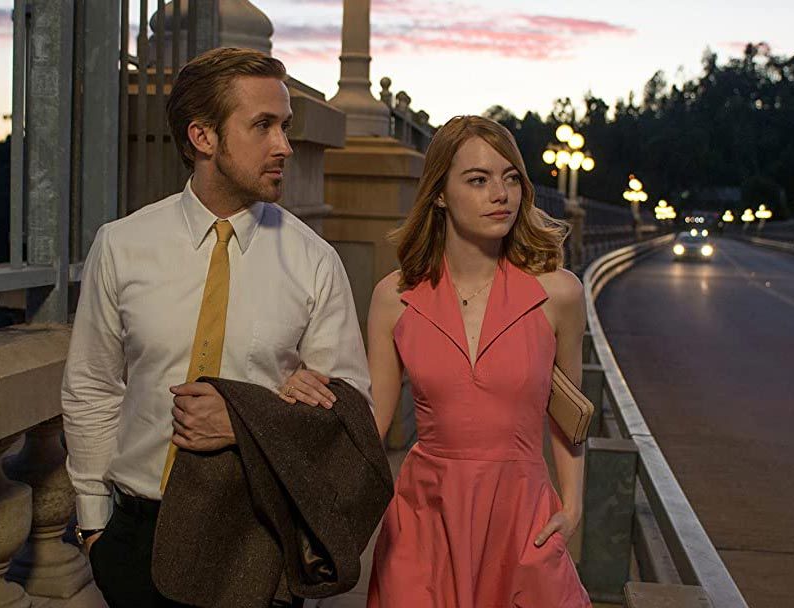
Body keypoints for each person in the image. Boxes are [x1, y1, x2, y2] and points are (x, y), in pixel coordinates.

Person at [61, 47, 371, 607]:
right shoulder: (122, 246)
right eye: (263, 126)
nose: (283, 146)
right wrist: (94, 530)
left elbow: (350, 421)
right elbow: (92, 390)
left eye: (286, 126)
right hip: (137, 538)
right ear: (203, 137)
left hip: (254, 538)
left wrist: (248, 422)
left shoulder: (315, 261)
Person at [286, 116, 592, 606]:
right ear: (441, 194)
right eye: (478, 179)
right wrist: (309, 400)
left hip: (521, 517)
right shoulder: (395, 297)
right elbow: (374, 424)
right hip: (423, 519)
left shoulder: (558, 293)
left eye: (510, 177)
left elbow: (569, 417)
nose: (501, 194)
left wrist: (572, 507)